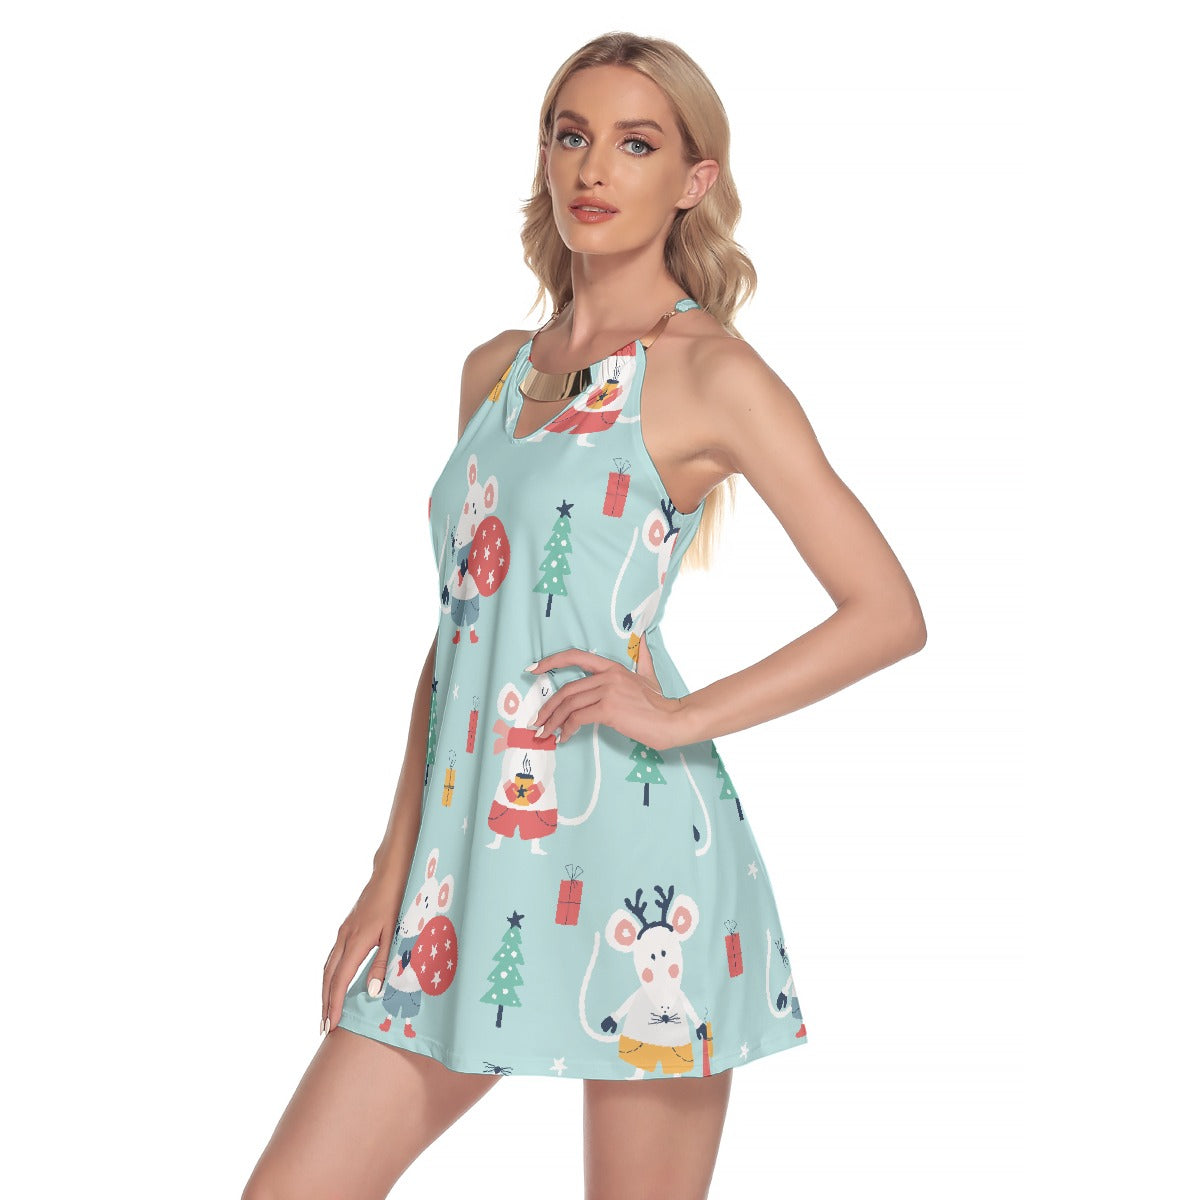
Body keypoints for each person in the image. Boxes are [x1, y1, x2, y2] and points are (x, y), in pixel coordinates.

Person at [242, 30, 926, 1200]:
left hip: (639, 849)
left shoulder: (712, 375)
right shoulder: (493, 371)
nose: (594, 168)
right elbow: (462, 633)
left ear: (695, 180)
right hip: (465, 863)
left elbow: (887, 612)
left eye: (635, 143)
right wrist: (392, 867)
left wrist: (679, 715)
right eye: (572, 136)